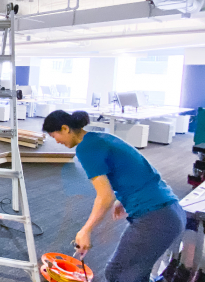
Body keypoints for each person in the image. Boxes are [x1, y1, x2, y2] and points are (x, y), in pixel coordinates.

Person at [42, 110, 185, 282]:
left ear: (65, 128)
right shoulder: (100, 138)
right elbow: (138, 169)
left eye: (54, 135)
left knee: (118, 274)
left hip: (155, 218)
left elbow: (105, 197)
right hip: (170, 210)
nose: (56, 141)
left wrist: (85, 230)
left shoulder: (86, 148)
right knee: (135, 275)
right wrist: (123, 198)